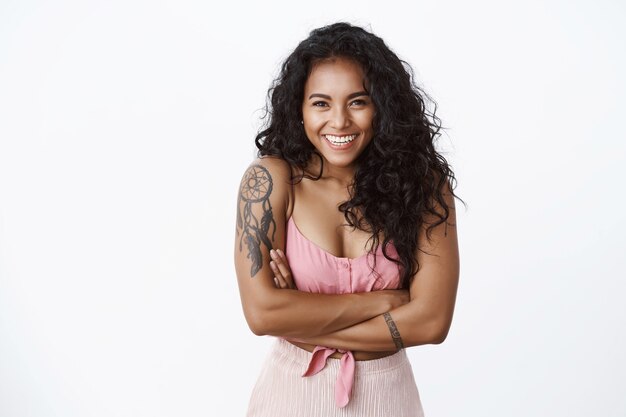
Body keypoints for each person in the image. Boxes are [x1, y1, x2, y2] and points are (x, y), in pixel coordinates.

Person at [233, 22, 461, 417]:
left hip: (388, 400)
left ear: (382, 107)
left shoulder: (422, 184)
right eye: (321, 103)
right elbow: (262, 314)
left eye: (358, 101)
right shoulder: (270, 180)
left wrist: (300, 318)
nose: (339, 121)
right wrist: (385, 302)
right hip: (290, 398)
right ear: (298, 109)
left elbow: (432, 322)